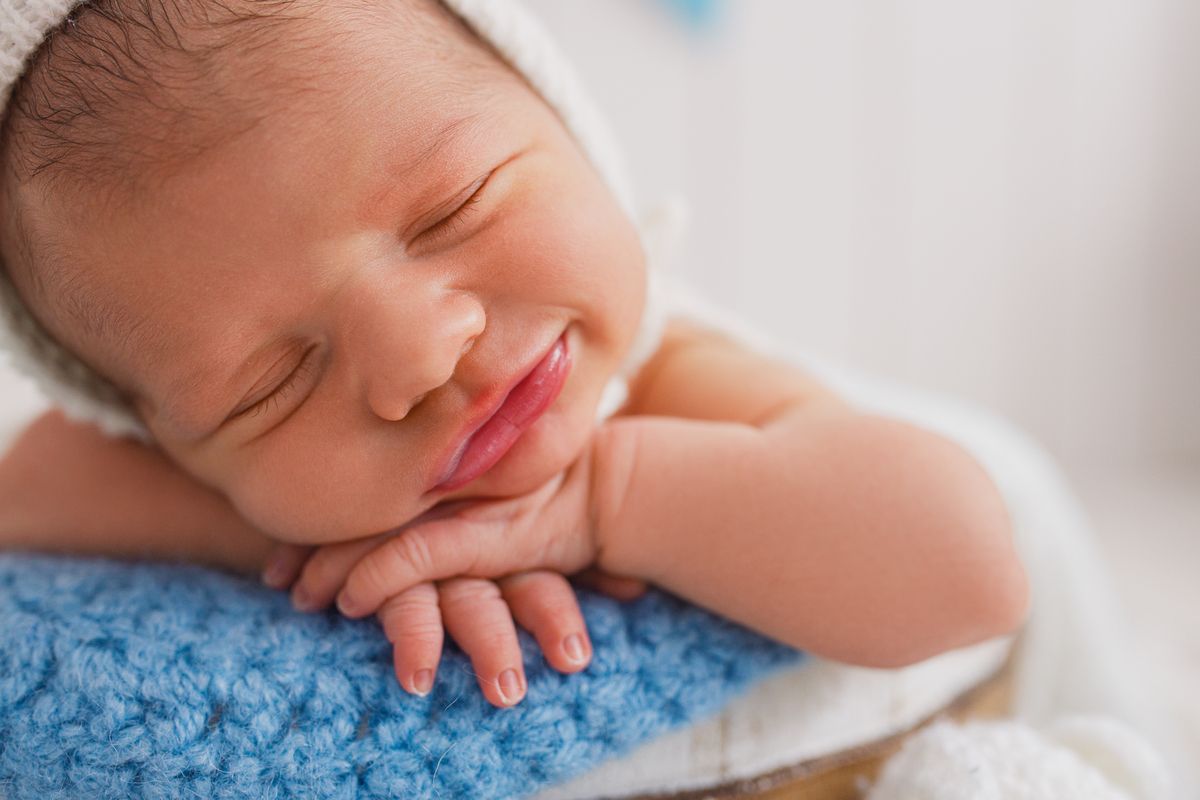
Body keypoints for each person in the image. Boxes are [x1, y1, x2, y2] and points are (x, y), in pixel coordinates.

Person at [0, 0, 1026, 709]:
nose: (423, 353)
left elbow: (972, 567)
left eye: (454, 207)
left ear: (573, 131)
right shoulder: (230, 469)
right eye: (271, 385)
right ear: (166, 437)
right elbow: (29, 482)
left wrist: (596, 502)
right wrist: (328, 547)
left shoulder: (671, 377)